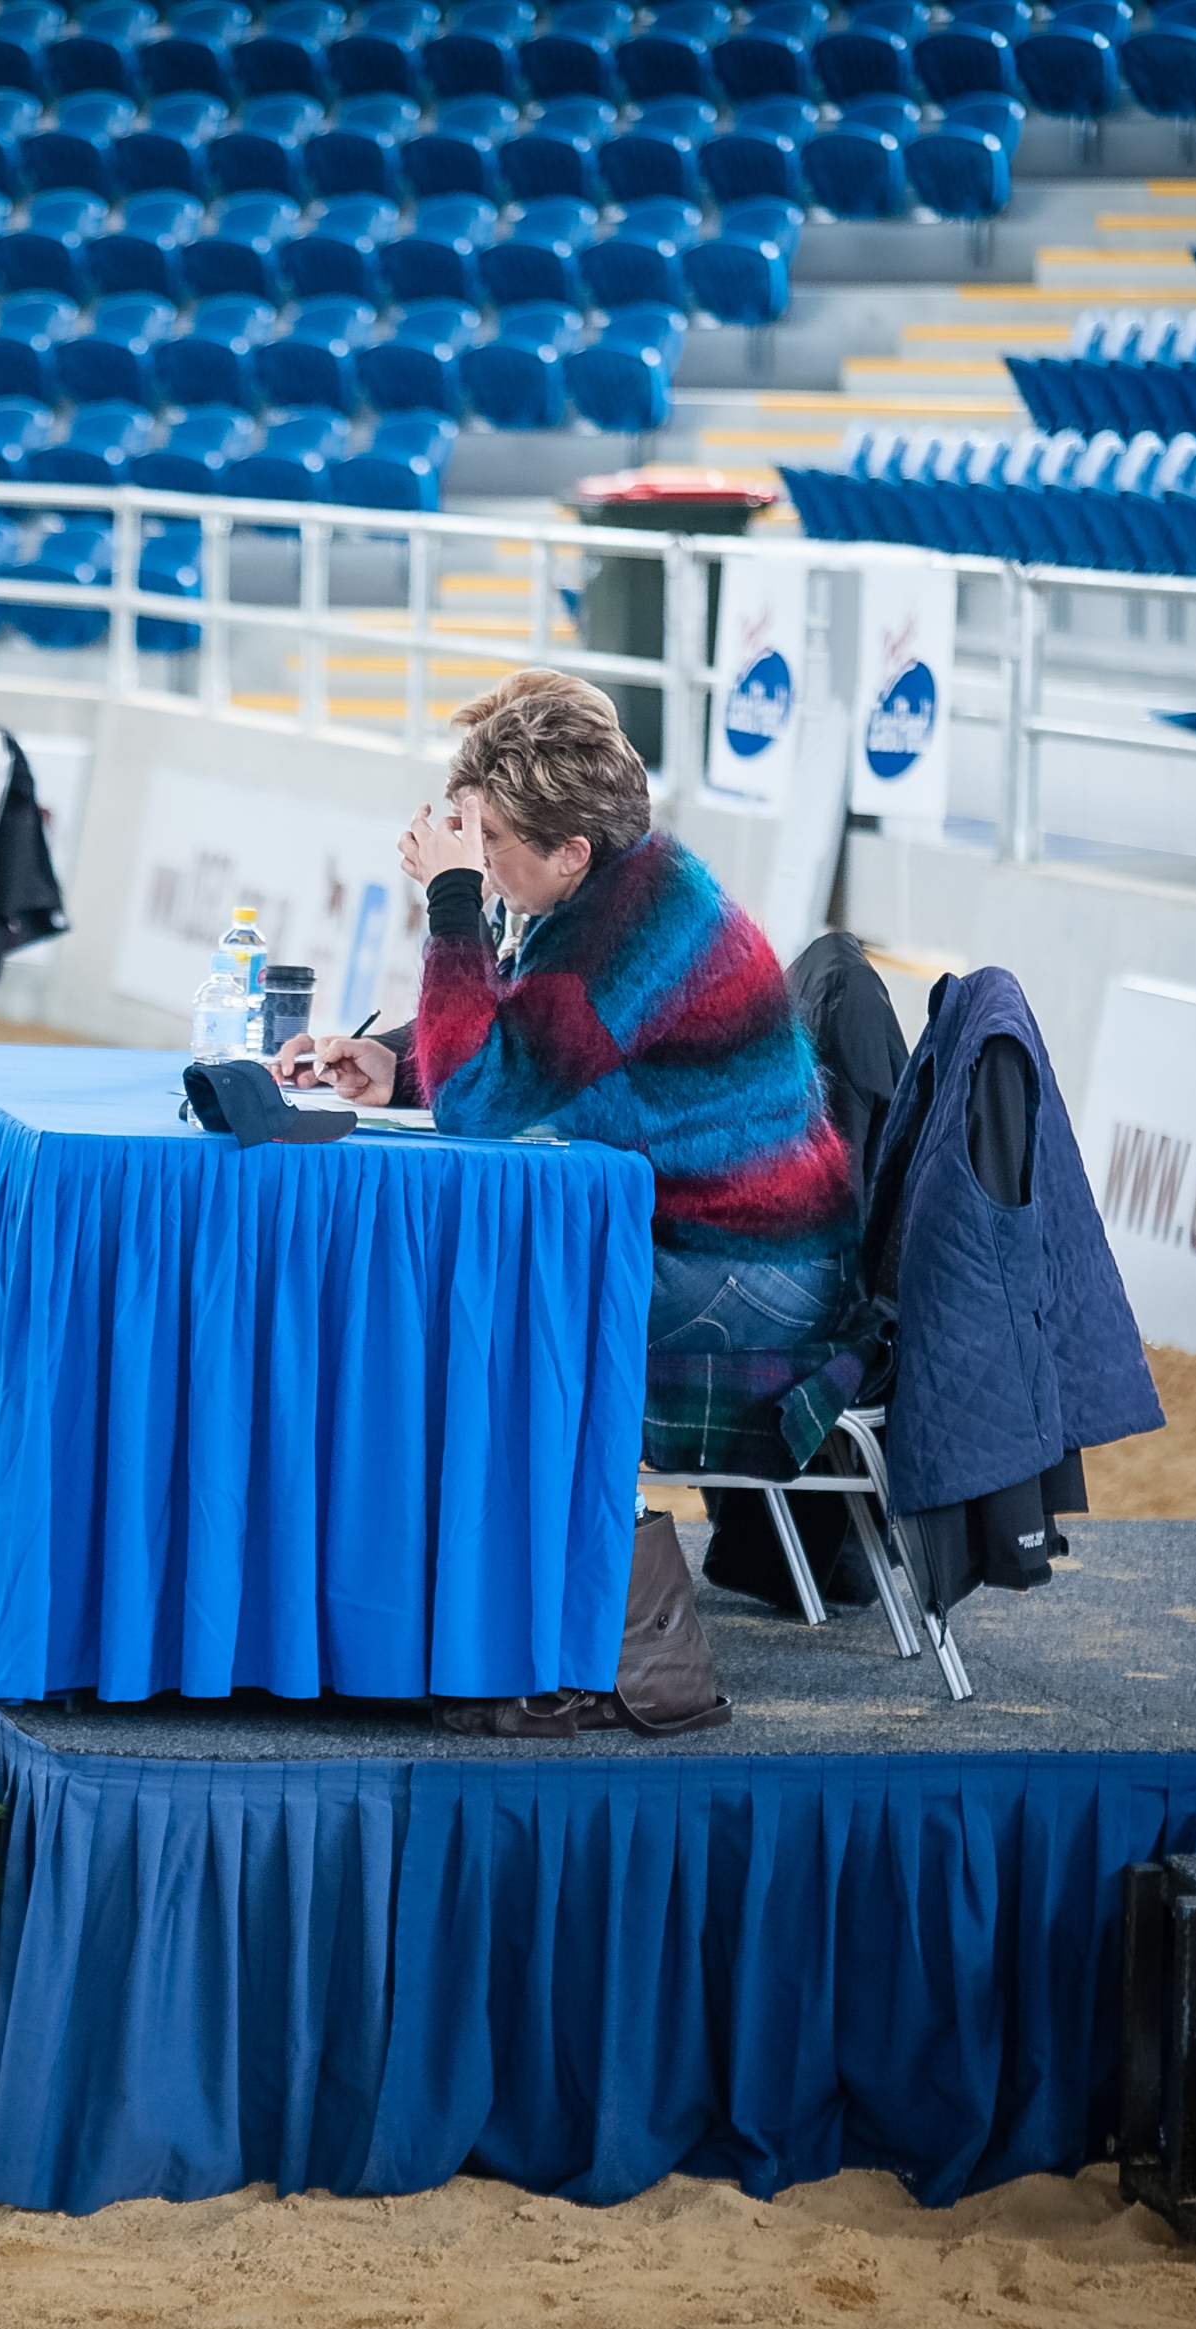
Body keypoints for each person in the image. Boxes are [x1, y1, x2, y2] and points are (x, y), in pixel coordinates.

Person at [277, 670, 861, 1736]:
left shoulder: (618, 933)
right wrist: (389, 1060)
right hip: (740, 1250)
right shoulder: (625, 893)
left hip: (754, 1289)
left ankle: (577, 1648)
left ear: (568, 850)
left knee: (491, 1333)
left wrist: (448, 900)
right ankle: (496, 1624)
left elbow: (481, 1107)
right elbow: (516, 1061)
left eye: (490, 838)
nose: (473, 852)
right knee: (479, 1305)